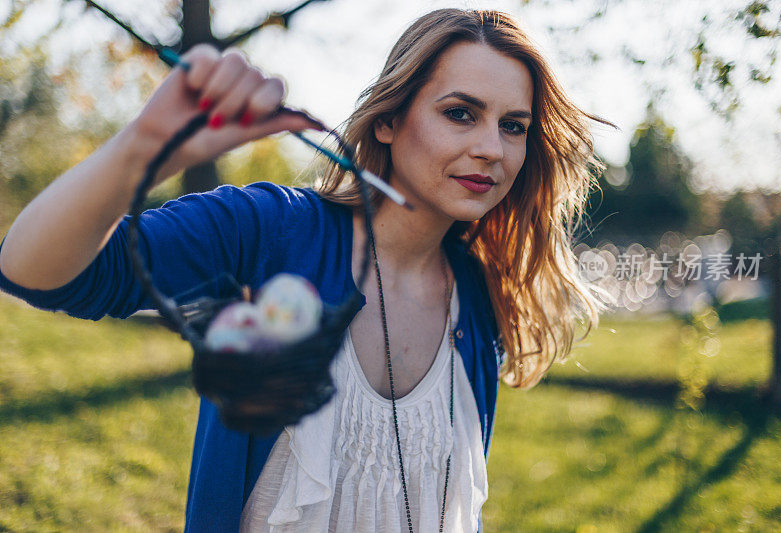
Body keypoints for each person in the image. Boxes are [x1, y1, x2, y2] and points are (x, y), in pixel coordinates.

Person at [0, 8, 612, 532]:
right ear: (388, 120)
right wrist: (149, 143)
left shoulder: (479, 300)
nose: (492, 148)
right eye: (460, 113)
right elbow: (38, 271)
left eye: (514, 127)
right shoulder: (270, 231)